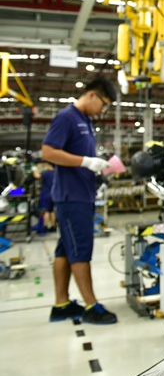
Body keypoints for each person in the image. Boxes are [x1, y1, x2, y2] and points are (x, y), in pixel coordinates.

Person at [41, 78, 118, 325]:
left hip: (82, 194)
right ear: (92, 95)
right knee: (80, 250)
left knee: (66, 249)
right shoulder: (67, 117)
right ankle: (91, 305)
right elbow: (48, 152)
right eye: (104, 104)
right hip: (72, 197)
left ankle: (61, 304)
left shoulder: (85, 121)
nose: (103, 110)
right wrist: (86, 162)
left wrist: (98, 168)